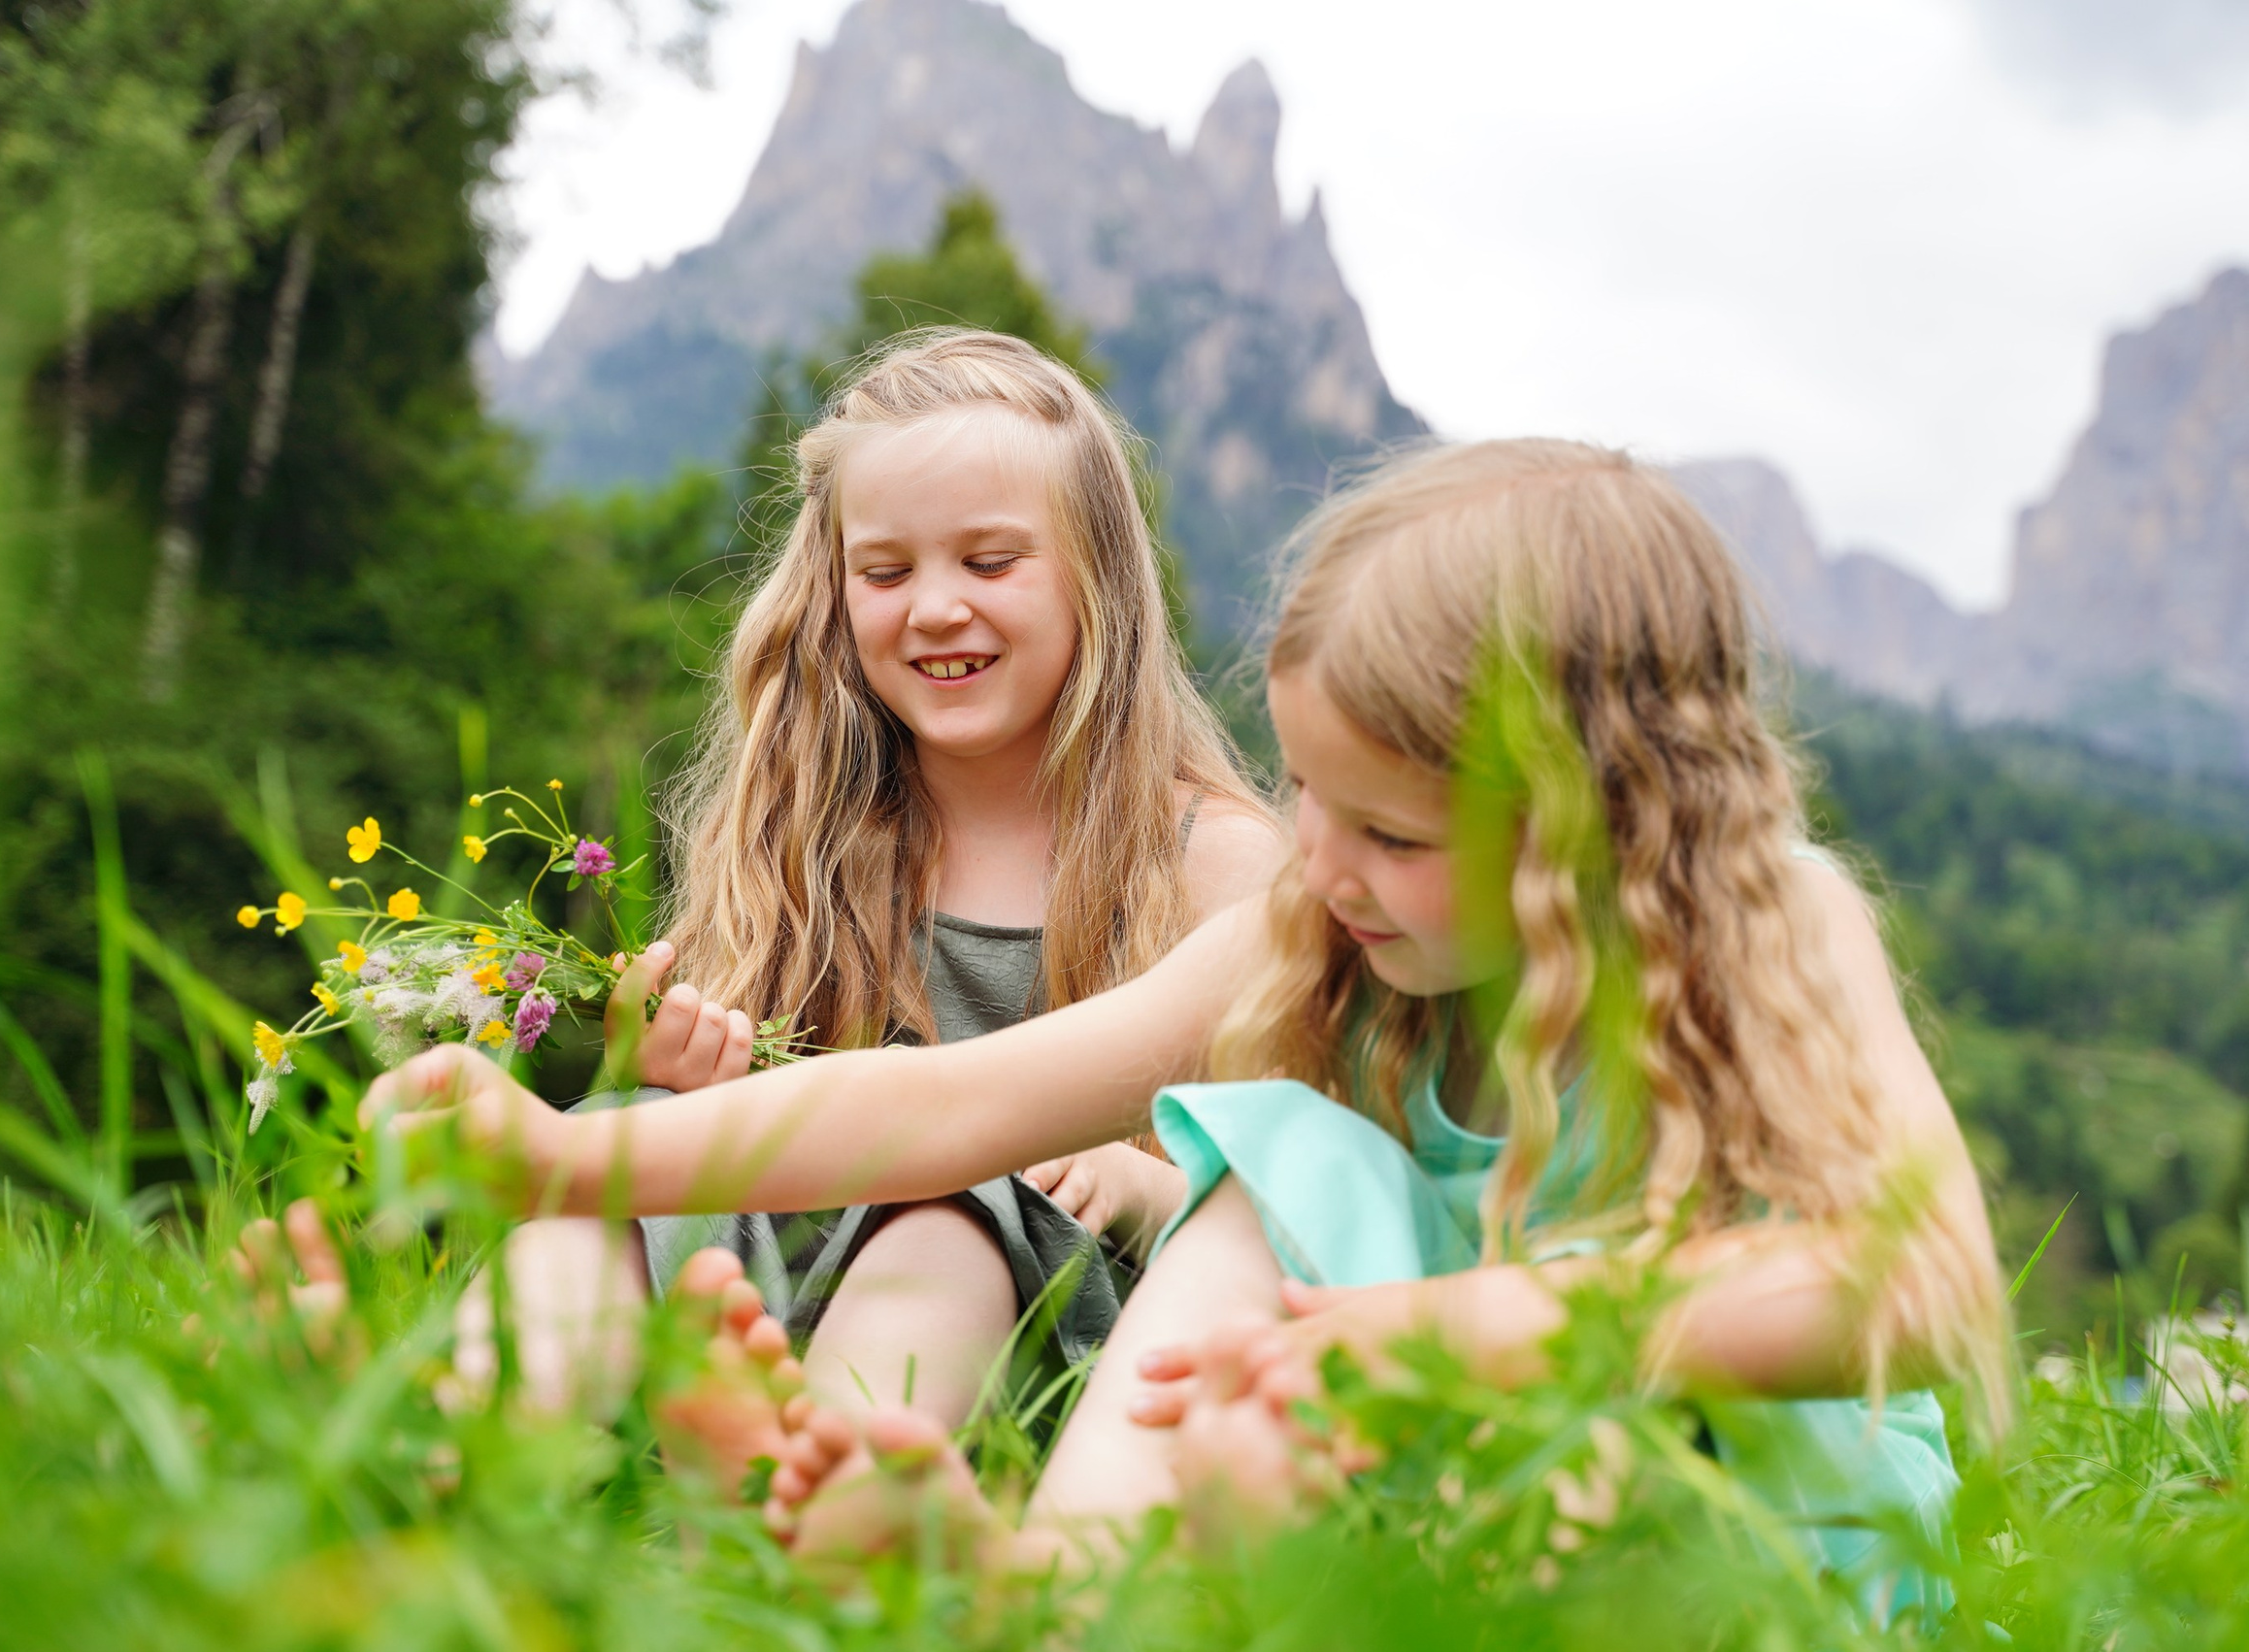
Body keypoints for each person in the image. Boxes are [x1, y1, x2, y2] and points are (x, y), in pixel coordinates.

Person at [367, 439, 2006, 1617]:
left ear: (1593, 821)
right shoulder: (1331, 928)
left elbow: (1925, 1285)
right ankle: (1054, 1594)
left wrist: (1476, 1328)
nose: (1320, 860)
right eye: (1306, 792)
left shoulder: (1772, 927)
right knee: (1277, 1162)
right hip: (1426, 1449)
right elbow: (946, 1106)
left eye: (1393, 831)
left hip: (1741, 1537)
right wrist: (571, 1156)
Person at [462, 328, 1284, 1435]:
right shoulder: (807, 830)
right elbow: (762, 1136)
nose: (934, 607)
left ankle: (835, 1486)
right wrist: (683, 1073)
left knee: (952, 1200)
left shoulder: (1211, 862)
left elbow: (1296, 1203)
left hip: (1057, 1318)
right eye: (886, 573)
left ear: (1097, 575)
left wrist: (1143, 1188)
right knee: (612, 1168)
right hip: (790, 1270)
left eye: (989, 563)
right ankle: (480, 1448)